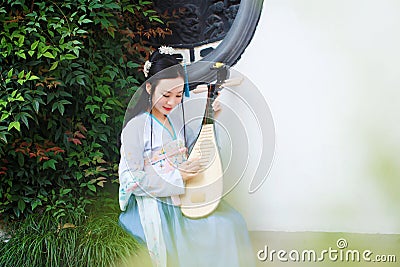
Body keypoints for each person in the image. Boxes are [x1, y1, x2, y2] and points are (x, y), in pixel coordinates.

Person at [118, 47, 255, 267]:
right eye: (166, 95)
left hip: (184, 195)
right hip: (157, 204)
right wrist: (176, 176)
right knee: (221, 226)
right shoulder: (135, 127)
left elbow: (200, 154)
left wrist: (210, 119)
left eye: (178, 95)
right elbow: (131, 179)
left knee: (233, 220)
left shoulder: (175, 123)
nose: (171, 102)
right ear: (149, 87)